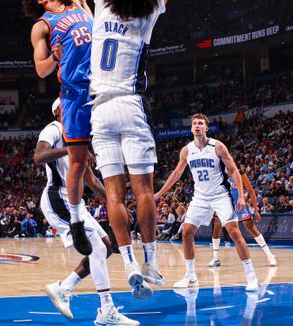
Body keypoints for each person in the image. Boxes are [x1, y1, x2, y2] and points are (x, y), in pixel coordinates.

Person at [88, 0, 194, 299]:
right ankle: (150, 261)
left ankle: (128, 263)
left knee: (114, 194)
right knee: (144, 191)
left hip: (100, 108)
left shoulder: (100, 3)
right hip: (130, 107)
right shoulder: (148, 14)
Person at [22, 0, 94, 256]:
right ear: (41, 1)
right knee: (78, 162)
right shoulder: (43, 26)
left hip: (103, 88)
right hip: (74, 92)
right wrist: (57, 57)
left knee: (110, 159)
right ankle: (77, 221)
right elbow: (41, 71)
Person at [35, 99, 138, 326]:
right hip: (58, 197)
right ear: (59, 111)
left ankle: (64, 288)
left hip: (75, 201)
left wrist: (117, 204)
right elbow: (39, 156)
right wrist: (69, 149)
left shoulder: (77, 137)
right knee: (98, 248)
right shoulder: (55, 128)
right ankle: (106, 310)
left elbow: (91, 180)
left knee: (106, 247)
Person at [154, 114, 259, 291]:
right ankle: (190, 276)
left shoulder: (217, 146)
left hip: (220, 194)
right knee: (187, 232)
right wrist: (159, 193)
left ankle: (251, 276)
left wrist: (241, 196)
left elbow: (233, 171)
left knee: (234, 231)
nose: (197, 126)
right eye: (194, 123)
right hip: (200, 196)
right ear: (191, 128)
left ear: (206, 128)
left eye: (200, 123)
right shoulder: (187, 150)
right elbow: (176, 174)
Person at [209, 173, 277, 268]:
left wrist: (256, 211)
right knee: (217, 226)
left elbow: (251, 191)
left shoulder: (240, 174)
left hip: (239, 205)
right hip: (225, 206)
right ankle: (215, 258)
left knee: (252, 229)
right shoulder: (219, 174)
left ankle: (270, 256)